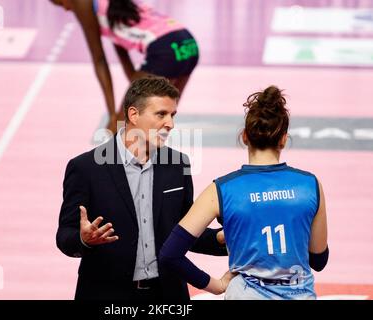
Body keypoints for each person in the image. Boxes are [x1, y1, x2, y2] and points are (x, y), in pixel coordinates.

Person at [56, 76, 227, 301]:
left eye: (172, 115)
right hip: (107, 294)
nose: (170, 124)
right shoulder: (86, 168)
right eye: (161, 114)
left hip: (167, 294)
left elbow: (185, 232)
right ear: (133, 115)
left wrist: (223, 238)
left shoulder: (178, 164)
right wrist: (84, 239)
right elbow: (64, 235)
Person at [159, 85, 329, 300]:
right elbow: (319, 261)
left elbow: (169, 254)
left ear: (245, 136)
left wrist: (216, 285)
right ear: (283, 139)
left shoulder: (221, 189)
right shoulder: (310, 185)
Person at [49, 0, 199, 133]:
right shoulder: (110, 11)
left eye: (61, 3)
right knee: (155, 128)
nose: (67, 9)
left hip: (166, 48)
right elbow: (122, 49)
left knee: (123, 131)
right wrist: (134, 87)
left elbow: (99, 59)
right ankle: (150, 163)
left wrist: (113, 116)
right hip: (187, 44)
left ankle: (133, 162)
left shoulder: (80, 2)